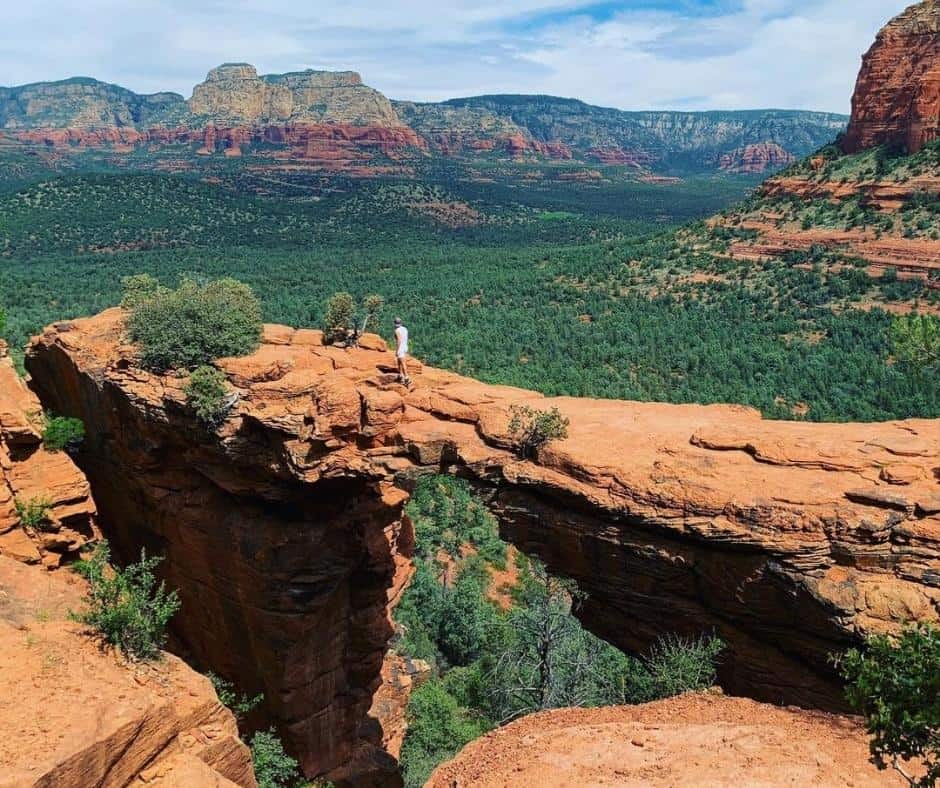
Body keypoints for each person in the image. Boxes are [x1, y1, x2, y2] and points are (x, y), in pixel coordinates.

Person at [394, 317, 411, 385]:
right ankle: (401, 375)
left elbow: (399, 340)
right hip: (405, 346)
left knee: (403, 363)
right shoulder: (405, 329)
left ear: (395, 323)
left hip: (400, 347)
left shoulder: (397, 330)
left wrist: (397, 350)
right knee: (399, 362)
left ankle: (406, 378)